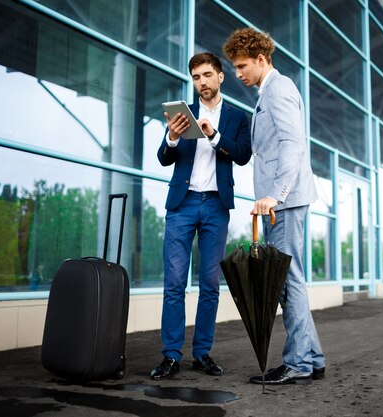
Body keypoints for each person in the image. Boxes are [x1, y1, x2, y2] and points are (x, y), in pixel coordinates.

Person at [223, 28, 326, 385]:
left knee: (285, 281)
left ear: (261, 59)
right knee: (290, 278)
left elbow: (292, 144)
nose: (237, 74)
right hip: (283, 201)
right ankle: (312, 359)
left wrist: (275, 195)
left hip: (284, 201)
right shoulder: (268, 91)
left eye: (241, 66)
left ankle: (297, 363)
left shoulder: (279, 89)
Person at [151, 52, 252, 380]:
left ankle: (202, 353)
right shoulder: (185, 114)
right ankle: (170, 355)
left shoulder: (237, 118)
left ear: (220, 77)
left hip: (215, 206)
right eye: (196, 77)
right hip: (181, 205)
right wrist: (173, 136)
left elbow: (243, 155)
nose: (202, 82)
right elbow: (164, 157)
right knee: (175, 283)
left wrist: (214, 136)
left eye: (207, 75)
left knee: (209, 284)